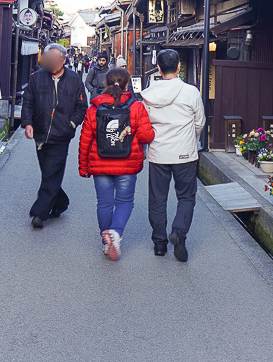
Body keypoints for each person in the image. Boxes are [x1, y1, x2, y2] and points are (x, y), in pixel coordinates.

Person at [78, 68, 154, 261]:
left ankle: (106, 242)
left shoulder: (94, 108)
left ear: (106, 84)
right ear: (127, 84)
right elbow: (146, 136)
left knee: (104, 203)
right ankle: (116, 233)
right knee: (125, 201)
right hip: (127, 163)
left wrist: (83, 166)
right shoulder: (136, 107)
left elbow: (85, 140)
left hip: (100, 162)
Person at [140, 49, 205, 262]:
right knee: (186, 196)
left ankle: (159, 244)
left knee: (158, 199)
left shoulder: (148, 94)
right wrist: (191, 138)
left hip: (158, 153)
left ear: (158, 69)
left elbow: (144, 125)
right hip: (185, 153)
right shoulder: (191, 92)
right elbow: (200, 122)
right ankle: (178, 232)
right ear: (179, 67)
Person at [21, 43, 88, 229]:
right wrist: (27, 123)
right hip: (41, 133)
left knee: (51, 172)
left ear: (63, 60)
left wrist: (71, 124)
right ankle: (60, 202)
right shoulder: (37, 78)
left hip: (62, 134)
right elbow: (28, 102)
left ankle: (39, 214)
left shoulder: (74, 79)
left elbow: (82, 106)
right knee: (48, 172)